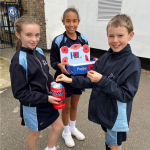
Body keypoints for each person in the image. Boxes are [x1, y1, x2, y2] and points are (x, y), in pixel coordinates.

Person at [56, 14, 141, 150]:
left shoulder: (133, 62)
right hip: (104, 111)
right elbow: (90, 80)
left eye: (120, 36)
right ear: (107, 35)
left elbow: (126, 95)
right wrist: (70, 79)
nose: (115, 40)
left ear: (130, 35)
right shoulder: (105, 57)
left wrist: (102, 80)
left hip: (116, 116)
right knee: (107, 139)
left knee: (114, 145)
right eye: (111, 36)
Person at [9, 16, 63, 150]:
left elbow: (46, 73)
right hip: (33, 106)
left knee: (58, 126)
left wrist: (53, 84)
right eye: (29, 35)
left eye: (37, 35)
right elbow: (20, 93)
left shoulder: (38, 51)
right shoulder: (18, 61)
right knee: (35, 134)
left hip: (48, 99)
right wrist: (47, 98)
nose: (34, 39)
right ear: (18, 35)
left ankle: (50, 148)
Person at [50, 7, 97, 147]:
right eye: (68, 21)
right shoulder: (58, 41)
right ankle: (66, 132)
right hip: (64, 79)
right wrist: (60, 65)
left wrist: (93, 62)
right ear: (63, 22)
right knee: (67, 106)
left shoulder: (83, 39)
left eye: (74, 21)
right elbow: (53, 61)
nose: (71, 24)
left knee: (75, 105)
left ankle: (72, 127)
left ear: (79, 21)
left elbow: (86, 58)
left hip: (79, 79)